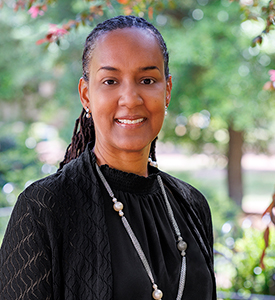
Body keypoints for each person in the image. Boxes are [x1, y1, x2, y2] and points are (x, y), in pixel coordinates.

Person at [0, 15, 216, 300]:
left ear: (167, 90)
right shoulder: (44, 208)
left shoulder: (192, 205)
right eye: (111, 80)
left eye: (147, 79)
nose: (130, 98)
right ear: (86, 95)